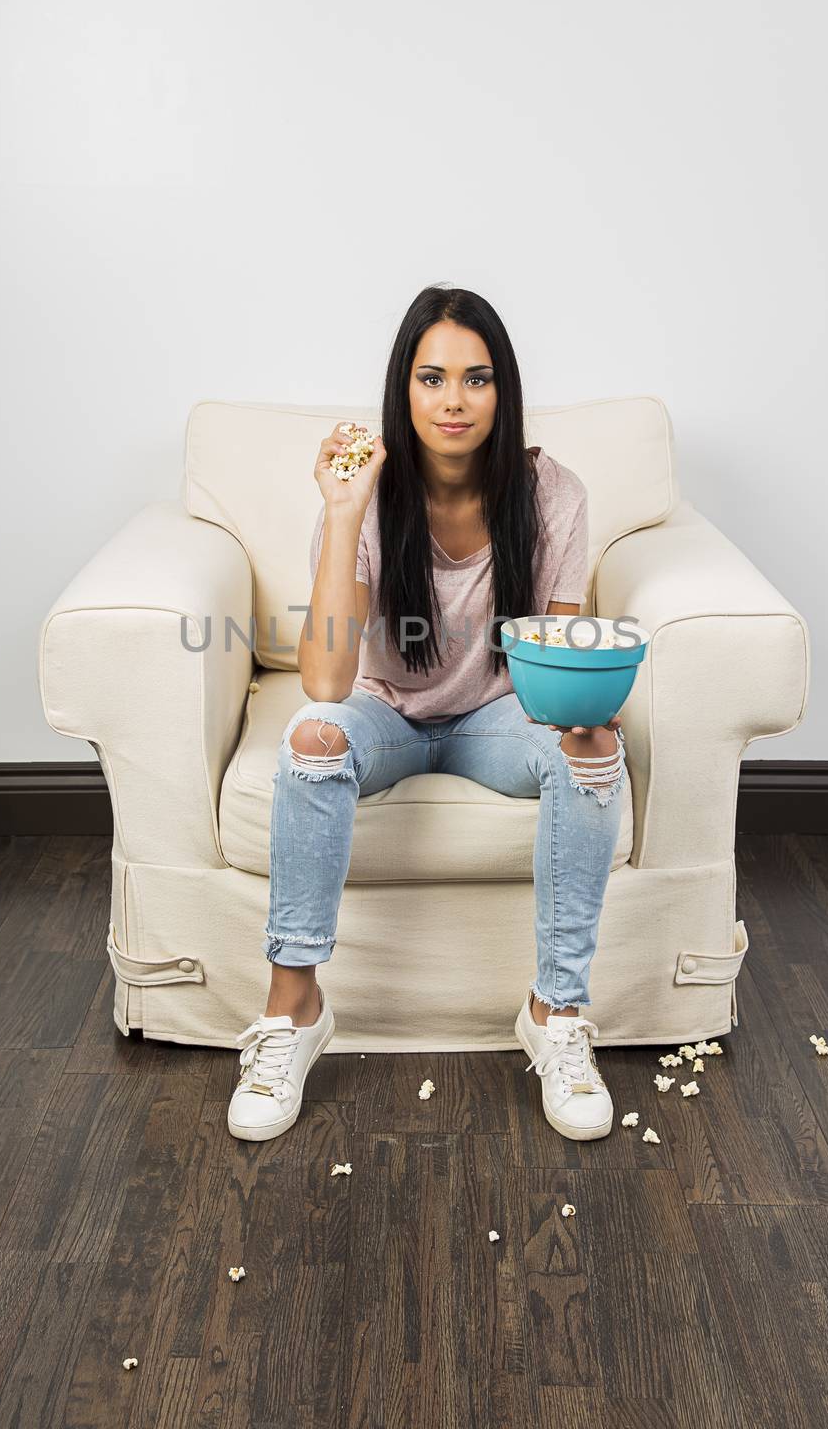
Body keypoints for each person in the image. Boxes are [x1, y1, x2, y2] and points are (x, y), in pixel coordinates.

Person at [229, 285, 627, 1145]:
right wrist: (342, 513)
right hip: (384, 716)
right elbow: (328, 681)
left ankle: (556, 1013)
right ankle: (293, 1012)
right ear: (401, 390)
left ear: (503, 390)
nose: (453, 401)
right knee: (310, 740)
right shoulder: (368, 494)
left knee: (591, 753)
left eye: (476, 380)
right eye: (432, 378)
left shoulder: (551, 492)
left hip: (499, 715)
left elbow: (553, 660)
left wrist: (585, 713)